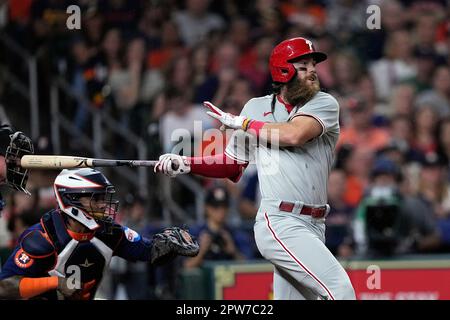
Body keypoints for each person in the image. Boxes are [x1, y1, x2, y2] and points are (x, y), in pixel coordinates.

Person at [155, 37, 355, 300]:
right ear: (284, 70)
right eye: (303, 65)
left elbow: (294, 134)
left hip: (315, 223)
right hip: (280, 220)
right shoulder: (256, 108)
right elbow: (232, 165)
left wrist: (244, 123)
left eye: (313, 65)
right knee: (340, 290)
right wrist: (187, 163)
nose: (313, 70)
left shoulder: (323, 103)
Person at [0, 168, 198, 300]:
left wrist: (170, 243)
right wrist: (57, 283)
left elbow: (149, 252)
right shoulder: (42, 237)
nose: (104, 205)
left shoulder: (110, 232)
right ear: (72, 201)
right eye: (96, 199)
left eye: (104, 198)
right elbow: (5, 287)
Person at [184, 185, 246, 269]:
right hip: (204, 280)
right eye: (215, 206)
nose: (221, 210)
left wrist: (233, 251)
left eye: (224, 206)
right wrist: (201, 250)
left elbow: (248, 267)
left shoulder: (235, 233)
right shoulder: (194, 233)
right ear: (207, 208)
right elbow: (186, 267)